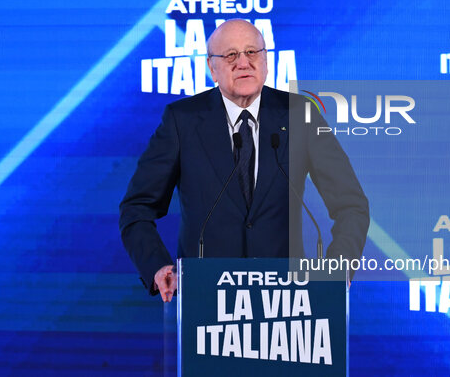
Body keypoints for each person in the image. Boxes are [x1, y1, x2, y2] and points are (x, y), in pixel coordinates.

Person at [119, 19, 369, 302]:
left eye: (252, 52)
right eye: (230, 55)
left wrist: (337, 269)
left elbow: (351, 204)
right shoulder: (182, 121)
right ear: (212, 68)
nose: (243, 63)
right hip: (207, 302)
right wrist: (156, 266)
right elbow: (137, 207)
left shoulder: (300, 114)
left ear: (266, 61)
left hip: (288, 304)